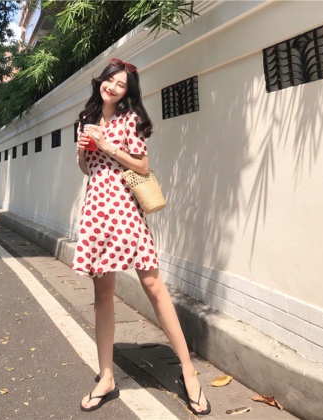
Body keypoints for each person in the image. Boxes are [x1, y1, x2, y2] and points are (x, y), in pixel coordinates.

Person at [72, 57, 211, 415]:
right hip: (96, 209)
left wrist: (107, 145)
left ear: (127, 92)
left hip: (124, 208)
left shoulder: (130, 119)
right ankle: (106, 377)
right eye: (110, 81)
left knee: (153, 285)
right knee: (102, 294)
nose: (113, 87)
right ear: (101, 81)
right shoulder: (86, 119)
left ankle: (188, 371)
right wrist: (82, 152)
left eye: (121, 85)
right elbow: (87, 169)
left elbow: (142, 165)